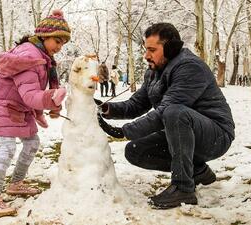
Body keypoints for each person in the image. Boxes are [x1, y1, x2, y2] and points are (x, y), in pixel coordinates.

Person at [95, 23, 235, 209]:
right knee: (135, 150)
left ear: (171, 48)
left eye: (152, 50)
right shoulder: (154, 72)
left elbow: (165, 112)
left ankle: (183, 188)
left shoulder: (190, 67)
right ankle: (198, 170)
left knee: (174, 112)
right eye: (146, 49)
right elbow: (136, 104)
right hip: (182, 130)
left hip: (216, 135)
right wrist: (105, 108)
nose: (146, 55)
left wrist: (123, 131)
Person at [0, 9, 71, 218]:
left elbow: (31, 93)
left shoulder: (42, 57)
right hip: (3, 107)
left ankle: (16, 184)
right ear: (44, 36)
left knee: (31, 143)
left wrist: (49, 104)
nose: (59, 46)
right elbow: (31, 94)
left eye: (63, 43)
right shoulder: (29, 56)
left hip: (19, 109)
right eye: (57, 40)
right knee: (7, 148)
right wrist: (51, 97)